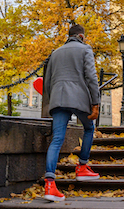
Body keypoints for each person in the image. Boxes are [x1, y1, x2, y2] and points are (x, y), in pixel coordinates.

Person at [42, 23, 101, 202]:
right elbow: (91, 77)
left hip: (58, 99)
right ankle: (82, 167)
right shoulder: (85, 49)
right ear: (81, 36)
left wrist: (53, 100)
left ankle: (50, 184)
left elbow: (47, 82)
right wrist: (95, 102)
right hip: (78, 99)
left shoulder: (56, 52)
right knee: (89, 129)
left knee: (57, 138)